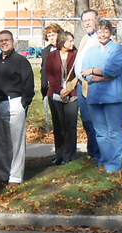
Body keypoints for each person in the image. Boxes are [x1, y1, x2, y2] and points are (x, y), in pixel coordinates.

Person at [0, 30, 35, 186]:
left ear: (12, 41)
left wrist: (24, 103)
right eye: (1, 40)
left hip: (15, 102)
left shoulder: (21, 61)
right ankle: (3, 174)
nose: (4, 43)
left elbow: (28, 84)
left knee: (16, 141)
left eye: (7, 40)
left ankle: (15, 177)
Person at [79, 20, 122, 173]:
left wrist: (93, 71)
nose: (102, 34)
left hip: (114, 97)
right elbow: (83, 73)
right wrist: (98, 76)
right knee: (100, 133)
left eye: (105, 31)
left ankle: (115, 164)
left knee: (114, 132)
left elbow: (112, 70)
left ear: (110, 32)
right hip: (94, 97)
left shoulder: (117, 49)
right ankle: (105, 161)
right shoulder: (90, 51)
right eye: (100, 31)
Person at [73, 10, 103, 162]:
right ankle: (92, 152)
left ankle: (99, 154)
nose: (88, 23)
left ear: (97, 20)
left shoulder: (102, 38)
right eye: (85, 21)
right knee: (86, 120)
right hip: (81, 85)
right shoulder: (85, 38)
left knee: (96, 121)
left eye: (90, 20)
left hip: (94, 85)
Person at [45, 31, 78, 165]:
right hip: (55, 95)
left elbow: (77, 73)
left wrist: (69, 90)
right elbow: (50, 76)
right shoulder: (52, 56)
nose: (72, 43)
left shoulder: (75, 55)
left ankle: (69, 155)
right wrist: (59, 90)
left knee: (70, 126)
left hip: (72, 95)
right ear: (63, 42)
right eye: (70, 41)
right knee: (58, 126)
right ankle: (59, 154)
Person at [40, 23, 64, 102]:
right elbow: (43, 70)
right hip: (51, 89)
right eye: (49, 36)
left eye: (53, 35)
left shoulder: (65, 49)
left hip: (64, 87)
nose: (51, 38)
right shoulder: (46, 51)